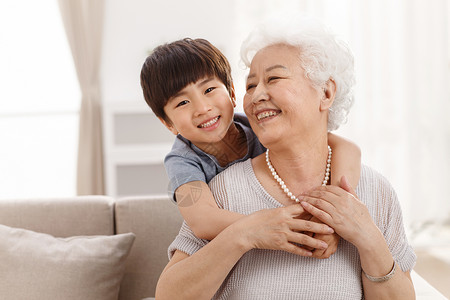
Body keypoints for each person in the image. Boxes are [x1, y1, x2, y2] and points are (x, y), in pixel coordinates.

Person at [155, 16, 416, 300]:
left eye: (274, 78)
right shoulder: (220, 190)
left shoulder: (375, 192)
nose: (255, 96)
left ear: (326, 92)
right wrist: (245, 234)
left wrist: (365, 236)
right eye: (251, 85)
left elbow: (346, 147)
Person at [140, 38, 361, 259]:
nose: (202, 108)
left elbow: (347, 148)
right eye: (182, 103)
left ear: (232, 93)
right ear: (167, 123)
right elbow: (202, 221)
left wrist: (332, 217)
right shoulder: (182, 160)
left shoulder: (259, 124)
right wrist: (277, 227)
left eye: (209, 89)